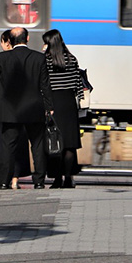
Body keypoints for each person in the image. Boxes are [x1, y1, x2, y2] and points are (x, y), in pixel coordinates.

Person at [0, 27, 54, 189]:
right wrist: (49, 106)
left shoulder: (2, 57)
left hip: (9, 109)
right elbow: (45, 85)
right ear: (28, 38)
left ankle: (4, 181)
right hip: (33, 107)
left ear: (9, 41)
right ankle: (39, 181)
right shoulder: (39, 58)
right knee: (37, 145)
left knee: (8, 145)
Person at [42, 29, 83, 188]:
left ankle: (57, 178)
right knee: (70, 143)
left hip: (53, 103)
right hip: (69, 103)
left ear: (50, 43)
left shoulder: (45, 61)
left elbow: (43, 84)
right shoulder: (72, 59)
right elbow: (78, 84)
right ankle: (68, 178)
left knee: (54, 142)